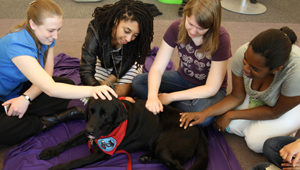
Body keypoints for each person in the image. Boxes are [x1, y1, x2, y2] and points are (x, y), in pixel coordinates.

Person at [0, 0, 117, 146]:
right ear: (33, 24)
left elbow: (47, 76)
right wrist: (93, 90)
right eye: (50, 30)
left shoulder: (44, 37)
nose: (55, 36)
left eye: (58, 29)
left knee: (66, 85)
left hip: (17, 89)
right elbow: (49, 88)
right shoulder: (17, 45)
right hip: (3, 96)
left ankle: (25, 116)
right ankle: (51, 119)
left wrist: (25, 98)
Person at [180, 26, 300, 153]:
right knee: (230, 126)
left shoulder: (295, 74)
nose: (246, 69)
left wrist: (231, 114)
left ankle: (291, 128)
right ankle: (259, 121)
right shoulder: (244, 51)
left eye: (254, 68)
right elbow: (237, 96)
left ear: (276, 70)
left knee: (255, 142)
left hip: (288, 107)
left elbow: (274, 112)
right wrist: (205, 113)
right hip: (265, 100)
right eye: (246, 61)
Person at [132, 0, 231, 127]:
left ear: (212, 26)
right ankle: (176, 107)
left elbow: (211, 88)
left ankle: (166, 105)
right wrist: (152, 96)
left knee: (202, 117)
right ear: (185, 15)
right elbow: (157, 68)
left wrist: (171, 97)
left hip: (210, 89)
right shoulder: (176, 27)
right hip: (182, 79)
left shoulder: (222, 38)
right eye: (190, 24)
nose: (193, 32)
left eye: (200, 28)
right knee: (139, 82)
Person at [79, 0, 154, 97]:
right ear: (116, 20)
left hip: (126, 64)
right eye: (126, 31)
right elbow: (86, 71)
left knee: (120, 92)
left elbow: (128, 61)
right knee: (92, 89)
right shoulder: (96, 28)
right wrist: (99, 88)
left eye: (135, 35)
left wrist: (108, 82)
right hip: (103, 62)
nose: (129, 39)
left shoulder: (134, 40)